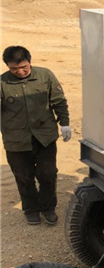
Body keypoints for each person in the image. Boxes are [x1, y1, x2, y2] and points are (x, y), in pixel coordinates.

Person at [1, 46, 71, 226]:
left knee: (48, 174)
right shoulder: (2, 83)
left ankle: (48, 208)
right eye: (14, 69)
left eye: (23, 67)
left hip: (44, 136)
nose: (20, 72)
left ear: (30, 61)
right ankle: (31, 209)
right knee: (23, 176)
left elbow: (58, 101)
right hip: (16, 140)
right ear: (8, 66)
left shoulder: (45, 75)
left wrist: (64, 123)